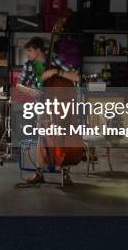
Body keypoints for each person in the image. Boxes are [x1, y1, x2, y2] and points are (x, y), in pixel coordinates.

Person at [16, 37, 80, 185]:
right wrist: (30, 91)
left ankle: (65, 173)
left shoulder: (55, 60)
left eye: (30, 51)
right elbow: (19, 85)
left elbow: (76, 76)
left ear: (38, 50)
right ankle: (39, 172)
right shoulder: (28, 64)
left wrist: (56, 72)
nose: (28, 54)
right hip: (43, 105)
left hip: (60, 106)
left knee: (63, 136)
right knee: (42, 138)